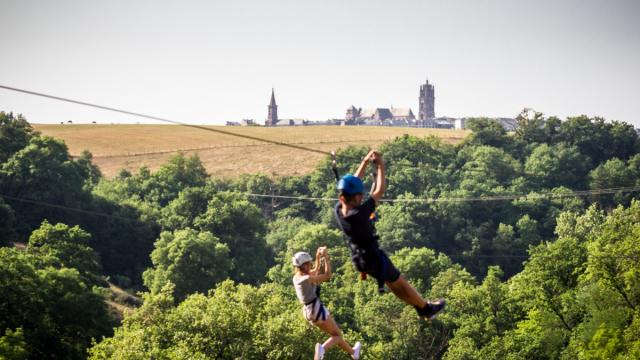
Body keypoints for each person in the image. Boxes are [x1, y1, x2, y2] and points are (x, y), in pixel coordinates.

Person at [334, 150, 445, 319]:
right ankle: (426, 309)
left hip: (360, 259)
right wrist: (381, 166)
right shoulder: (359, 214)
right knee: (400, 282)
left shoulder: (339, 210)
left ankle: (420, 307)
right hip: (372, 257)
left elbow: (354, 182)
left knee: (393, 284)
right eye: (358, 196)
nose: (361, 197)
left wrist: (365, 161)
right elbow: (379, 190)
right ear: (351, 197)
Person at [293, 247, 362, 360]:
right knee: (338, 335)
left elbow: (315, 271)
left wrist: (318, 257)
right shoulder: (306, 278)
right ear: (304, 265)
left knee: (335, 336)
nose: (310, 265)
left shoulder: (297, 277)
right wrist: (325, 258)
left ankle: (353, 353)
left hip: (309, 312)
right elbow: (327, 276)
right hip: (316, 309)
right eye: (309, 264)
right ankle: (322, 349)